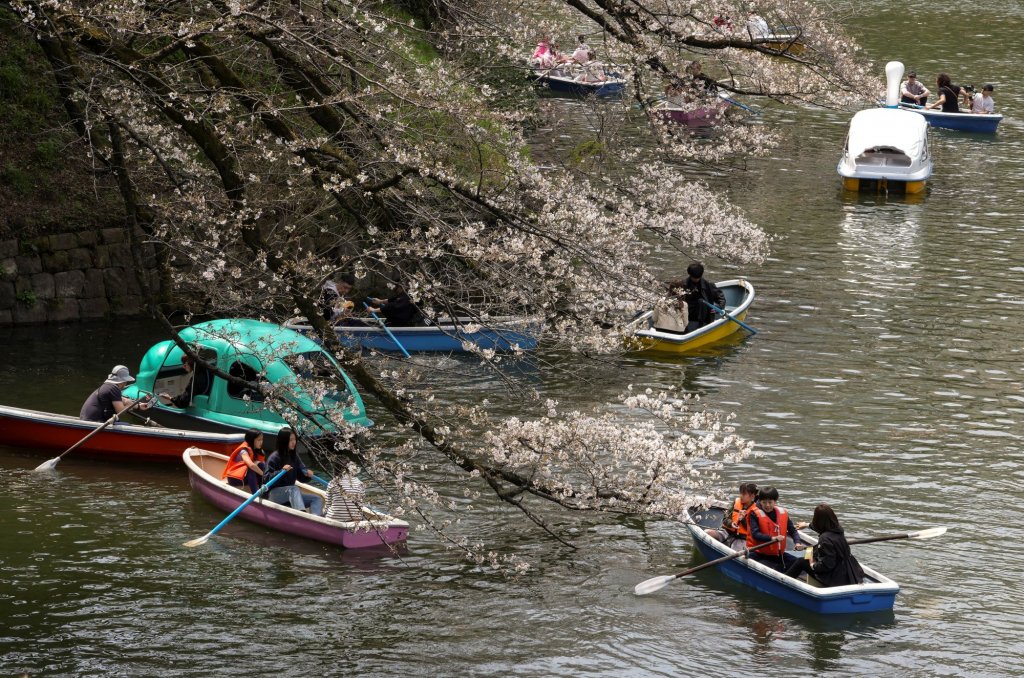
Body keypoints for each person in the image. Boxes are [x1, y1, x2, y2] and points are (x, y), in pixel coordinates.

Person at [784, 503, 865, 587]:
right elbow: (819, 527)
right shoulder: (838, 529)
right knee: (810, 551)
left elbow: (828, 565)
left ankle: (784, 581)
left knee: (800, 561)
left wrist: (812, 565)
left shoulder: (824, 539)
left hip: (836, 577)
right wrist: (806, 525)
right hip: (848, 570)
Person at [745, 486, 805, 571]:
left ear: (775, 502)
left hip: (777, 554)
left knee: (799, 562)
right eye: (764, 502)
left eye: (770, 502)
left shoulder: (783, 513)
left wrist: (797, 543)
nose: (767, 505)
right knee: (773, 568)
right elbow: (755, 534)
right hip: (758, 553)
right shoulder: (754, 514)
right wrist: (773, 538)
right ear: (760, 502)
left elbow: (793, 530)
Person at [264, 428, 324, 515]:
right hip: (273, 494)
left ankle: (316, 520)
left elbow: (301, 476)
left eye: (295, 439)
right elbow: (266, 480)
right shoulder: (274, 458)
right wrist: (281, 471)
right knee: (294, 489)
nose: (294, 442)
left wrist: (308, 475)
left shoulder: (294, 456)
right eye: (291, 440)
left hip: (291, 493)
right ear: (284, 441)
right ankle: (301, 515)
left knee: (317, 498)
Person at [667, 262, 727, 333]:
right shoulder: (683, 284)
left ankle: (700, 326)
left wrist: (717, 309)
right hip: (688, 314)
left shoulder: (708, 285)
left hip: (704, 315)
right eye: (694, 278)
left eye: (697, 278)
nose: (695, 279)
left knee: (701, 303)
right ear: (690, 274)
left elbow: (721, 299)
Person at [80, 365, 152, 422]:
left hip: (87, 419)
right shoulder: (114, 389)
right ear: (123, 381)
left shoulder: (108, 386)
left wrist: (138, 406)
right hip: (93, 422)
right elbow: (121, 411)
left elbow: (123, 400)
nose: (126, 383)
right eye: (126, 381)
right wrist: (129, 405)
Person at [705, 482, 758, 547]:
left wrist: (743, 520)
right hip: (726, 532)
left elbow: (753, 530)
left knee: (736, 550)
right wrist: (731, 524)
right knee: (707, 533)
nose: (741, 496)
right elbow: (725, 518)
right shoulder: (736, 503)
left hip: (742, 538)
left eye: (744, 494)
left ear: (752, 496)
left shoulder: (756, 510)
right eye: (740, 493)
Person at [222, 428, 267, 494]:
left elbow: (262, 466)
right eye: (258, 440)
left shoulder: (258, 450)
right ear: (252, 440)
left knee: (261, 465)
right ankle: (255, 494)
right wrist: (264, 475)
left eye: (262, 439)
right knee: (251, 468)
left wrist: (266, 474)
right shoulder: (243, 451)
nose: (261, 442)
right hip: (235, 479)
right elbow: (251, 465)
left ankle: (264, 491)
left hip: (246, 477)